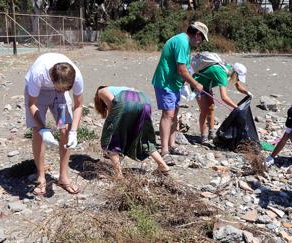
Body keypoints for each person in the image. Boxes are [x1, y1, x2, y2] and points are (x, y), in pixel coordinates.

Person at [25, 53, 84, 196]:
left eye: (66, 89)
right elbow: (31, 104)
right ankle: (41, 177)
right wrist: (43, 129)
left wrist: (74, 131)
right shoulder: (38, 74)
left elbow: (78, 105)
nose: (63, 91)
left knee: (64, 128)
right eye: (60, 87)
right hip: (38, 94)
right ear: (52, 78)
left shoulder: (75, 77)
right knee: (38, 132)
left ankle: (63, 177)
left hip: (58, 97)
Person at [151, 21, 207, 165]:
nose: (200, 42)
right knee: (168, 115)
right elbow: (181, 69)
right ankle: (164, 150)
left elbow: (185, 69)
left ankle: (172, 145)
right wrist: (195, 84)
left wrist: (189, 83)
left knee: (175, 114)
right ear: (197, 34)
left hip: (174, 84)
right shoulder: (182, 42)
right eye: (201, 38)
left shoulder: (184, 42)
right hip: (165, 83)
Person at [94, 86, 170, 178]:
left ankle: (118, 174)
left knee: (112, 138)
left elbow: (112, 103)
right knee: (143, 138)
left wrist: (110, 124)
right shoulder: (120, 88)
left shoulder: (101, 91)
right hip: (145, 101)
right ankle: (163, 165)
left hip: (126, 101)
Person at [193, 60, 251, 142]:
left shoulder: (231, 69)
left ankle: (211, 133)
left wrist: (247, 93)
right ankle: (203, 136)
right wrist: (237, 108)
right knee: (204, 111)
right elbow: (224, 97)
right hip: (197, 84)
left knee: (211, 108)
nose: (237, 79)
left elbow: (238, 87)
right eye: (238, 77)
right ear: (235, 74)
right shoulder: (222, 74)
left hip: (206, 85)